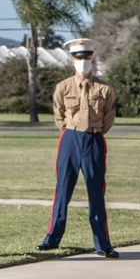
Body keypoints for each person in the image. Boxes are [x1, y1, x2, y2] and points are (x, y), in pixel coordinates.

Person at [36, 38, 119, 258]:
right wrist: (71, 130)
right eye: (79, 58)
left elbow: (109, 118)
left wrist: (94, 131)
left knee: (96, 192)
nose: (83, 62)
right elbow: (59, 115)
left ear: (93, 59)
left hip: (93, 140)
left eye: (87, 58)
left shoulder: (104, 88)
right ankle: (51, 239)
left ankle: (102, 244)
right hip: (70, 139)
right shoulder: (63, 87)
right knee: (62, 191)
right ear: (72, 61)